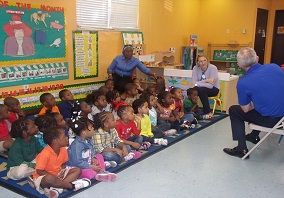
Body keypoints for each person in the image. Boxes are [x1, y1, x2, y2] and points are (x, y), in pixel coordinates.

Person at [223, 47, 284, 159]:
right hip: (282, 117)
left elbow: (245, 109)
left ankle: (241, 149)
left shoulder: (243, 82)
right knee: (262, 104)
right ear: (257, 58)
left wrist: (257, 103)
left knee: (234, 110)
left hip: (273, 121)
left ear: (239, 65)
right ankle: (253, 135)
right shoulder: (275, 67)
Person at [31, 127, 91, 197]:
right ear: (55, 141)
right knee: (49, 179)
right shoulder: (45, 153)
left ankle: (57, 188)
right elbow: (39, 171)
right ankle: (72, 186)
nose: (67, 137)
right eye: (64, 137)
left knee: (77, 170)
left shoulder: (63, 150)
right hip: (42, 178)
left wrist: (62, 170)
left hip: (58, 175)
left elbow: (64, 163)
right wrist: (54, 176)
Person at [68, 117, 117, 181]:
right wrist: (90, 166)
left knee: (99, 156)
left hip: (89, 163)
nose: (93, 128)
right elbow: (77, 162)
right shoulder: (76, 145)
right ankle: (97, 176)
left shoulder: (89, 140)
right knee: (87, 172)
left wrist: (93, 158)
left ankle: (102, 171)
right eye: (91, 128)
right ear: (84, 132)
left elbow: (92, 151)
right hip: (80, 167)